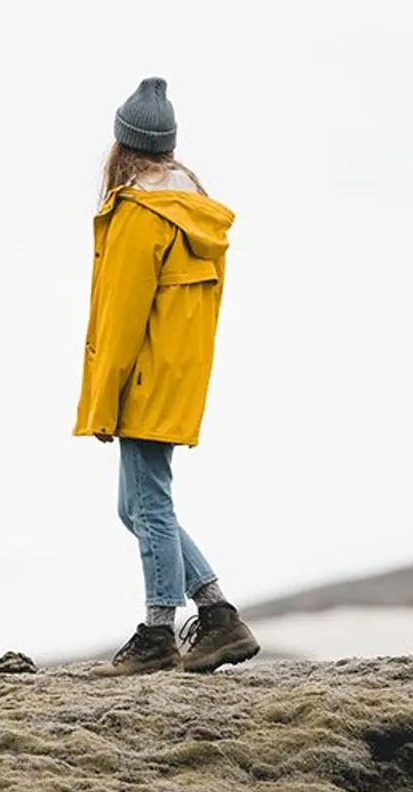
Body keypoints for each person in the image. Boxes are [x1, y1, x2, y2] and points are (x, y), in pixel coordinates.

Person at [75, 77, 259, 677]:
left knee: (148, 503)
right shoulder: (194, 209)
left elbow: (124, 317)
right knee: (136, 505)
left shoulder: (140, 213)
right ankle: (216, 613)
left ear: (123, 145)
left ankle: (158, 632)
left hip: (144, 375)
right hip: (177, 374)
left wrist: (104, 400)